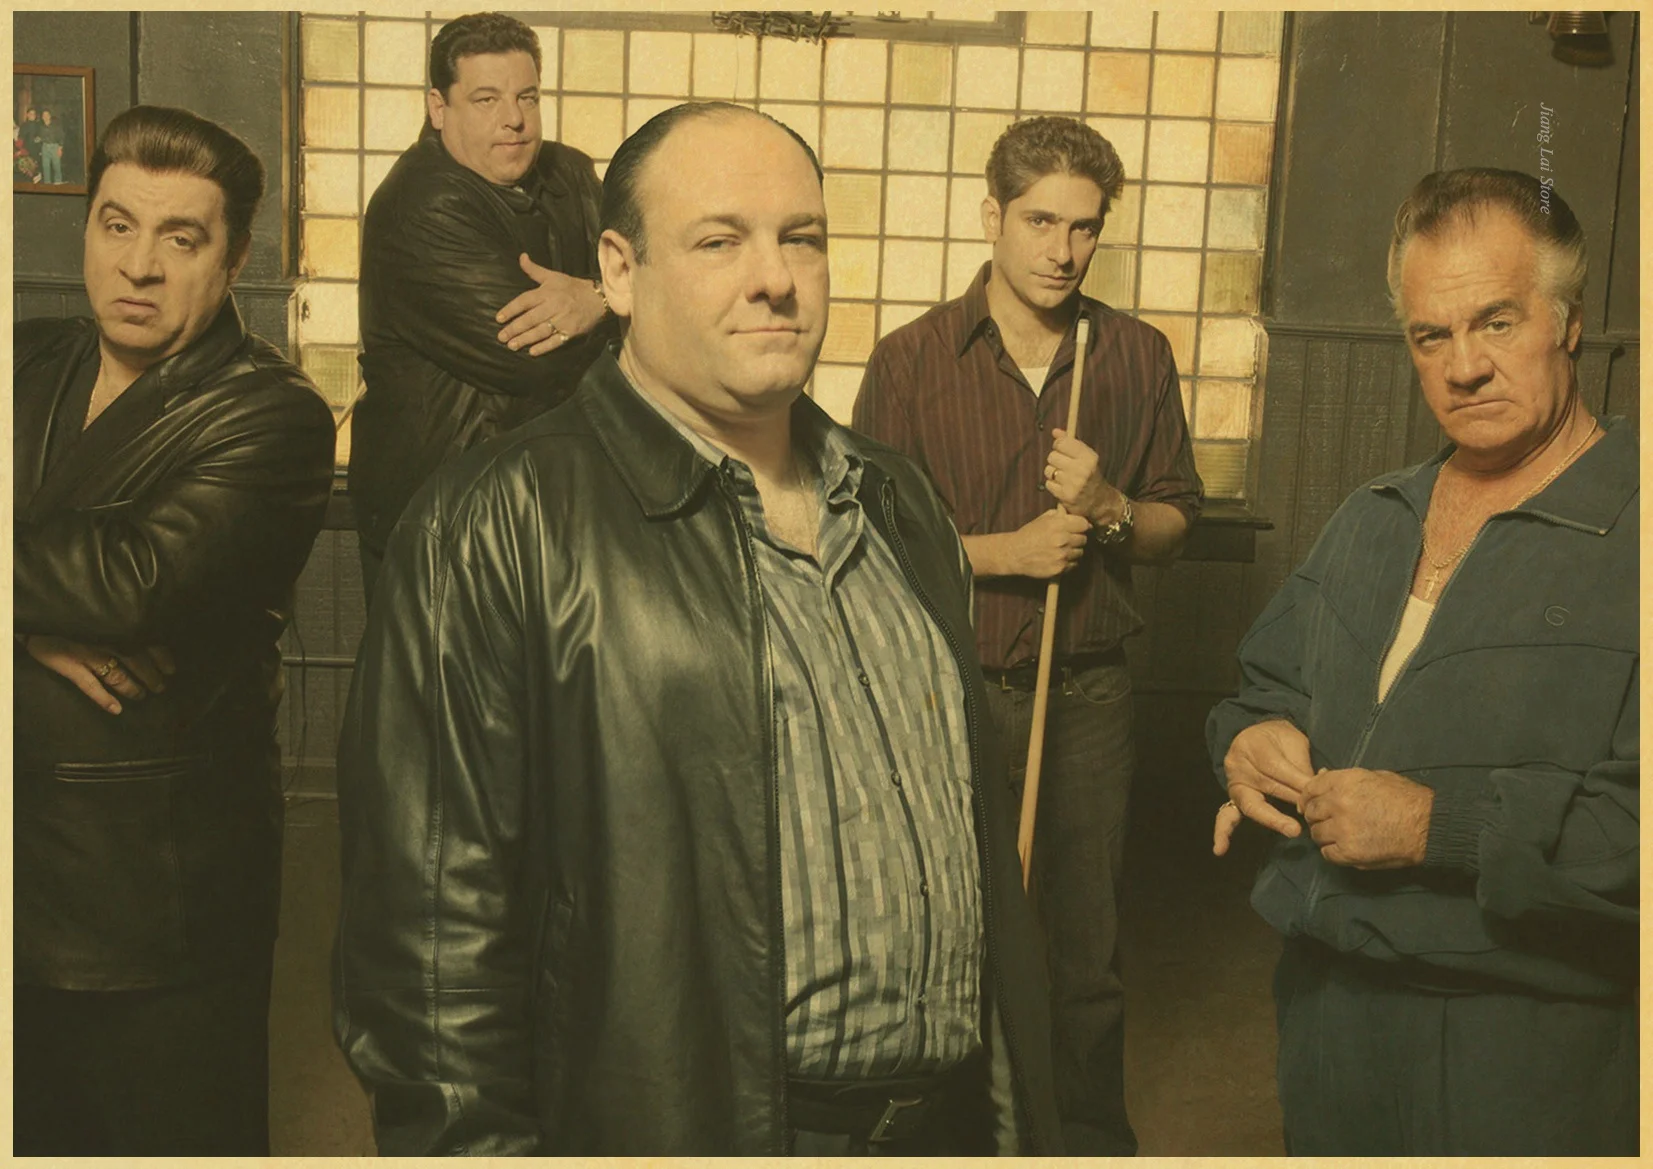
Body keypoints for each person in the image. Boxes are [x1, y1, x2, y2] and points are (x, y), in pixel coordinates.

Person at [333, 100, 1062, 1156]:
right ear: (618, 272)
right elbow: (429, 963)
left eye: (800, 238)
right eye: (718, 241)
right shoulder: (495, 523)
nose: (775, 278)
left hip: (945, 1127)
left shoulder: (899, 501)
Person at [1208, 169, 1637, 1155]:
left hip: (1529, 1052)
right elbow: (1261, 688)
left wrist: (1435, 828)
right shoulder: (1372, 518)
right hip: (1329, 1022)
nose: (1463, 367)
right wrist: (1245, 740)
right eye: (1430, 335)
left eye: (1496, 322)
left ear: (1569, 323)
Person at [852, 115, 1202, 1155]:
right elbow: (864, 541)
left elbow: (1175, 526)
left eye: (1084, 227)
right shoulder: (910, 360)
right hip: (945, 688)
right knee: (947, 939)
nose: (1062, 249)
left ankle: (1086, 1141)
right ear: (991, 215)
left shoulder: (1133, 354)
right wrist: (1003, 552)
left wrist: (1107, 506)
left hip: (1088, 692)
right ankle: (957, 1140)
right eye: (1040, 221)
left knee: (1085, 956)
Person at [12, 105, 336, 1154]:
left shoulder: (272, 412)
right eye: (117, 224)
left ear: (233, 260)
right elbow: (72, 586)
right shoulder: (26, 358)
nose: (139, 265)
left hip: (154, 904)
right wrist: (29, 635)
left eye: (180, 237)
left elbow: (130, 585)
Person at [349, 11, 612, 600]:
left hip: (551, 513)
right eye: (486, 99)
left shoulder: (571, 173)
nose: (514, 119)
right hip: (439, 523)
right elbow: (533, 359)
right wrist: (614, 301)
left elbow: (654, 279)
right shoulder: (420, 204)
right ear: (438, 108)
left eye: (527, 97)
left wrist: (596, 299)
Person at [39, 105, 65, 183]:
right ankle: (47, 184)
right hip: (44, 147)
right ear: (42, 117)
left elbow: (61, 136)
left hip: (54, 147)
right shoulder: (41, 127)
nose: (45, 117)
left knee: (56, 166)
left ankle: (58, 182)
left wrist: (60, 149)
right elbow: (40, 137)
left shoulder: (56, 126)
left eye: (47, 115)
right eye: (44, 115)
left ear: (50, 116)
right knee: (45, 167)